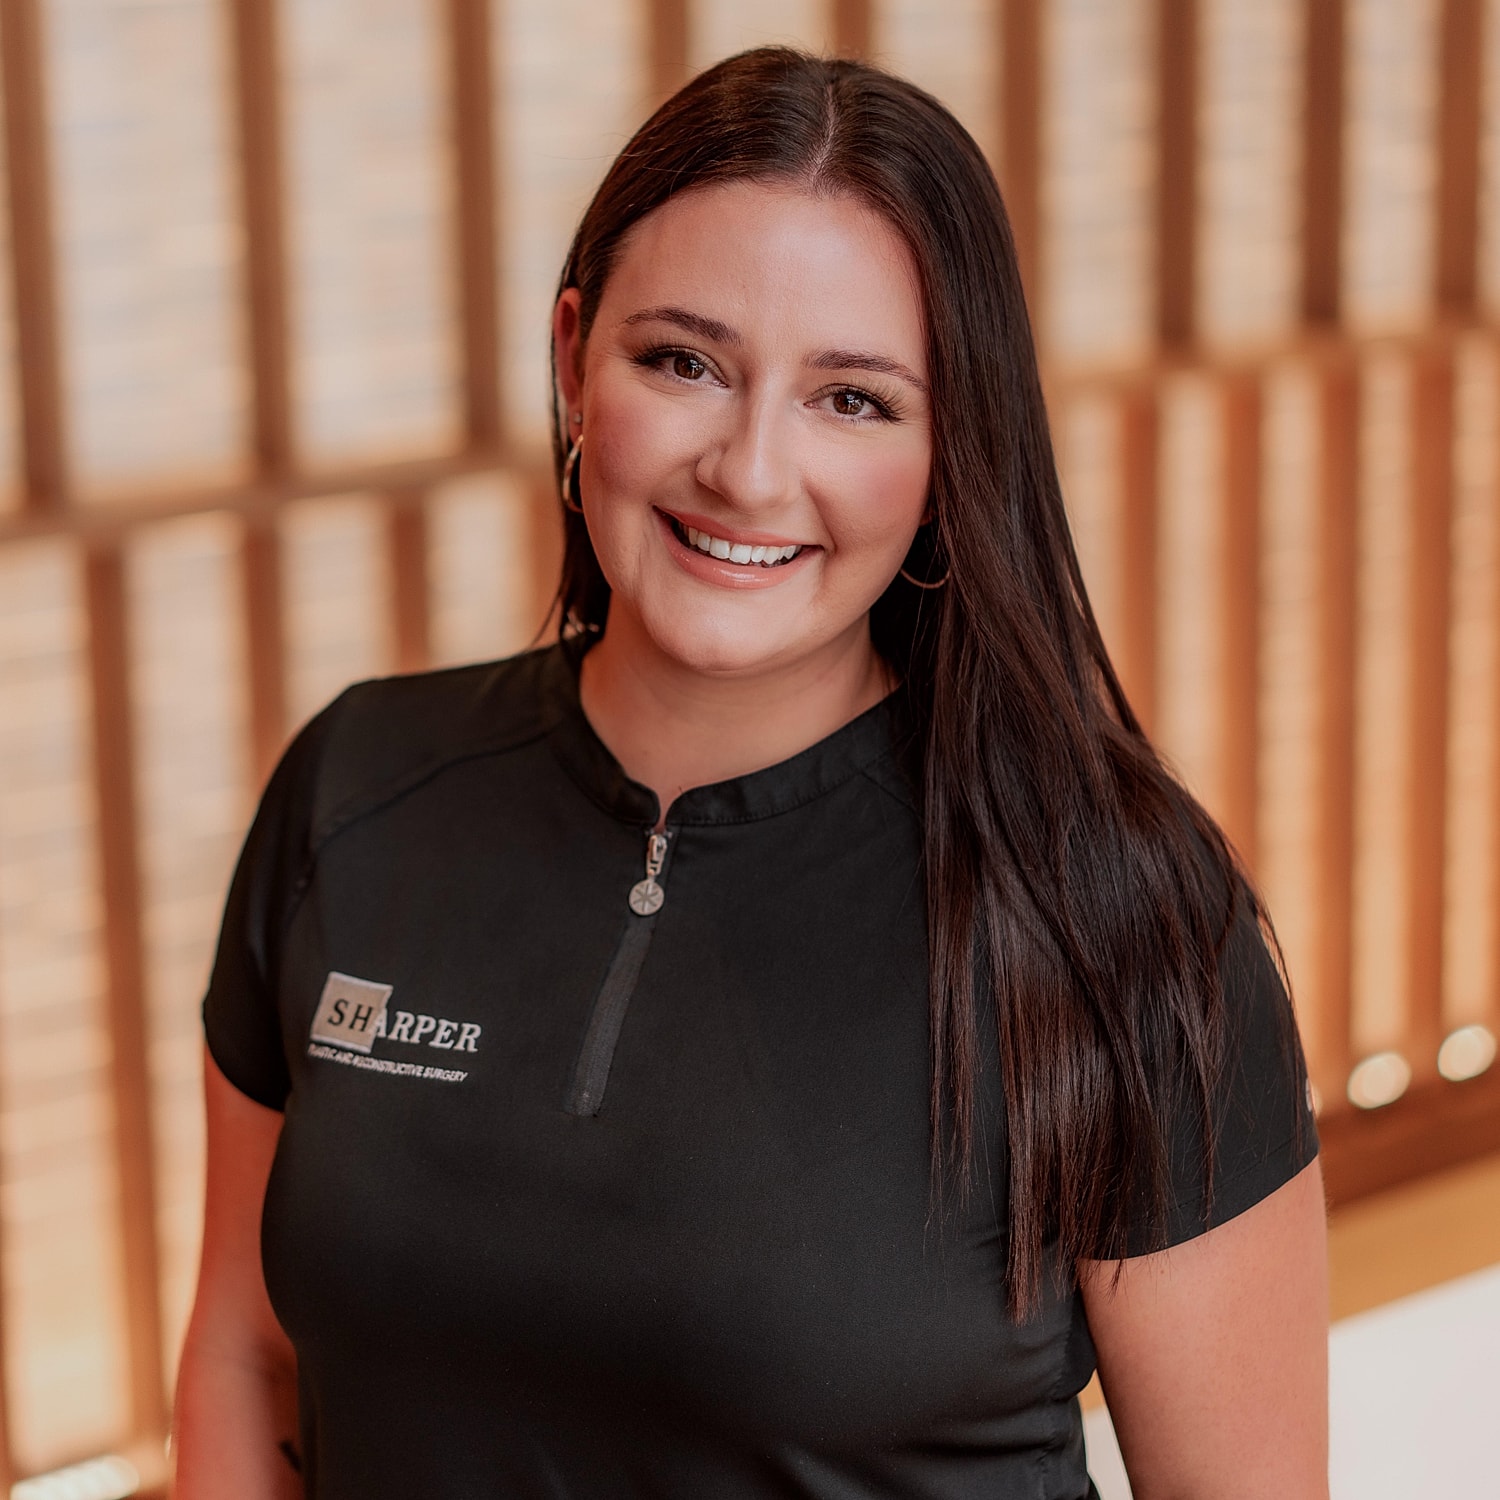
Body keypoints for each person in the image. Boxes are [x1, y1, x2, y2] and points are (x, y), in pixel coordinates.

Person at [172, 47, 1328, 1500]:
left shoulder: (1116, 912)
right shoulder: (359, 788)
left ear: (948, 451)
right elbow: (244, 1349)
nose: (751, 471)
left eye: (853, 400)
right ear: (573, 358)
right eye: (685, 362)